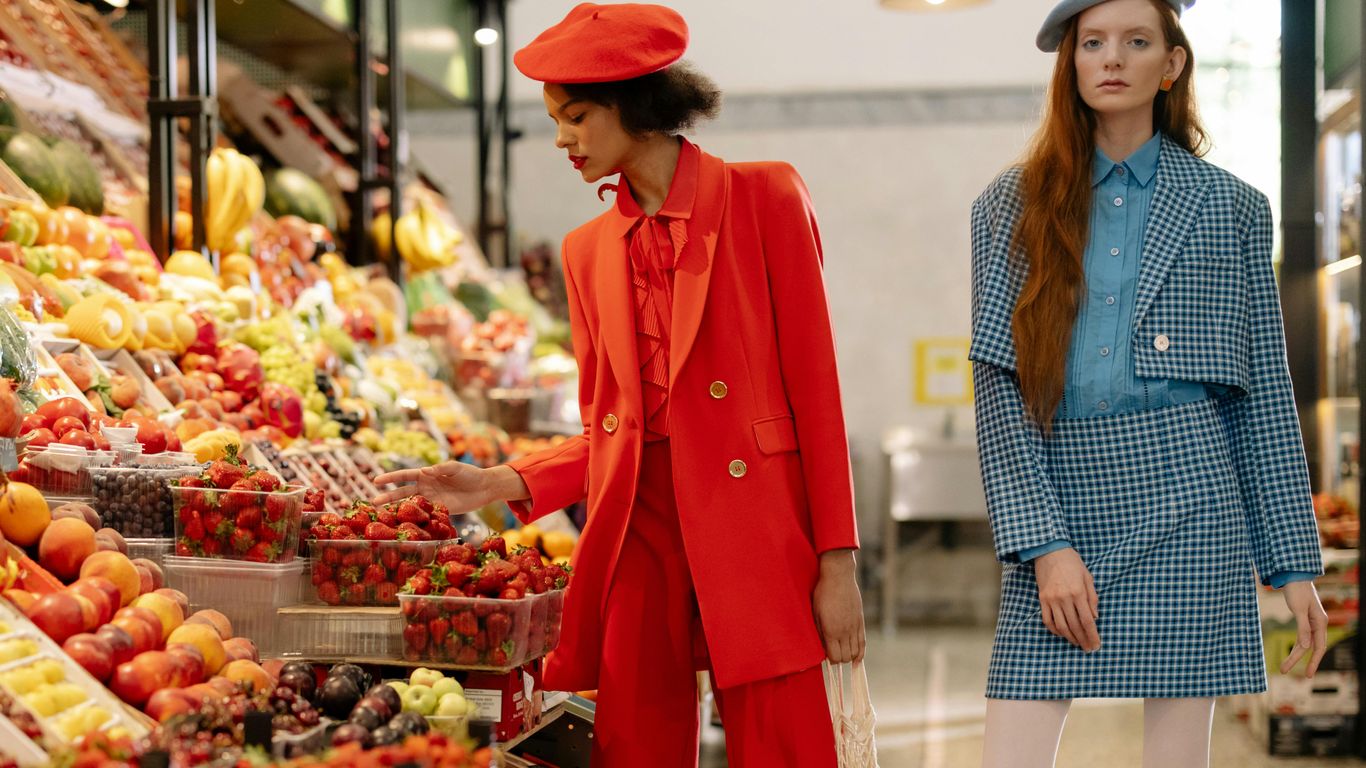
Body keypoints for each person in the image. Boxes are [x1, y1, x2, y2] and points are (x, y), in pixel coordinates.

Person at [373, 4, 864, 765]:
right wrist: (497, 481)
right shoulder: (586, 252)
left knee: (786, 746)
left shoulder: (766, 198)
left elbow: (817, 393)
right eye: (554, 119)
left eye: (575, 117)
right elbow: (613, 431)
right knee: (635, 746)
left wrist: (838, 562)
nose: (562, 139)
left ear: (635, 106)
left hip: (759, 529)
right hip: (641, 530)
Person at [969, 0, 1329, 765]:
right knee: (1012, 748)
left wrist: (1293, 565)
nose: (1111, 58)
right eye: (1092, 42)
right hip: (1063, 485)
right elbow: (999, 389)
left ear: (1170, 65)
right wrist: (1044, 545)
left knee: (1177, 757)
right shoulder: (1009, 205)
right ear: (1069, 62)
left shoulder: (1232, 207)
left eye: (1136, 42)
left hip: (1193, 496)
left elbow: (1262, 389)